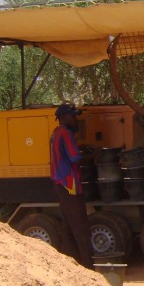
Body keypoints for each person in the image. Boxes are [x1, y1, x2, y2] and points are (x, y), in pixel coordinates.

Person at [49, 103, 94, 269]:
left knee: (68, 227)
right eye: (73, 116)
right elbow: (75, 158)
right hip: (69, 184)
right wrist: (94, 155)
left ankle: (71, 265)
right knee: (81, 226)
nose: (76, 119)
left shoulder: (56, 133)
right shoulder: (65, 134)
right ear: (63, 117)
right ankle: (89, 267)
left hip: (59, 183)